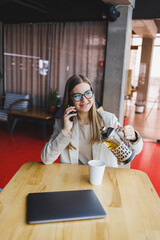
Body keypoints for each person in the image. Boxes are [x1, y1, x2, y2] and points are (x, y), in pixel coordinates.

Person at [41, 75, 143, 167]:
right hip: (73, 179)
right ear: (70, 100)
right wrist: (65, 131)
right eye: (77, 96)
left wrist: (133, 137)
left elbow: (135, 151)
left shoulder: (109, 120)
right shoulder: (62, 124)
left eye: (87, 93)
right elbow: (46, 159)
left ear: (92, 94)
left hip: (104, 178)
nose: (84, 100)